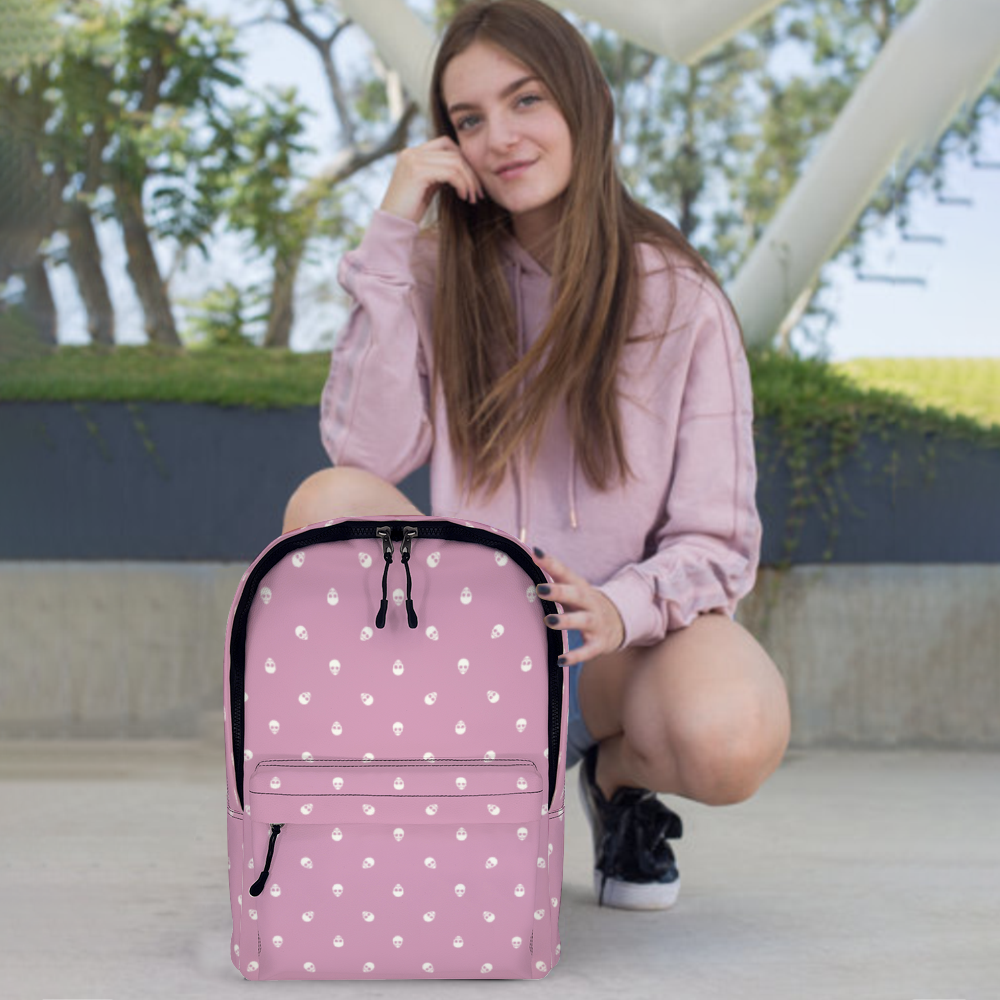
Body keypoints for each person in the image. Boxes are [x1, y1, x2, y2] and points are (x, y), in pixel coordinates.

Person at [283, 0, 791, 911]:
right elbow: (365, 449)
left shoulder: (679, 297)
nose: (499, 138)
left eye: (525, 101)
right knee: (327, 499)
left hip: (610, 652)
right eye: (468, 119)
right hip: (460, 643)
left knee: (732, 731)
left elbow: (718, 542)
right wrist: (395, 228)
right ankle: (448, 792)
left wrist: (617, 606)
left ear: (584, 103)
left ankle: (613, 784)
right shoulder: (434, 273)